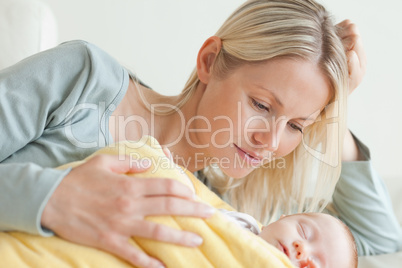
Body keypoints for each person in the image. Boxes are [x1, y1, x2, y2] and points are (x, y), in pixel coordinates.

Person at [0, 0, 400, 267]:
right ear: (209, 61)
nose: (272, 142)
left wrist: (333, 106)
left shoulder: (220, 210)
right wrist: (51, 197)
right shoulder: (84, 80)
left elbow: (380, 246)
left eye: (297, 126)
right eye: (262, 106)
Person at [222, 210, 358, 268]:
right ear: (283, 218)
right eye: (304, 232)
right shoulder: (242, 224)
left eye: (310, 267)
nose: (302, 249)